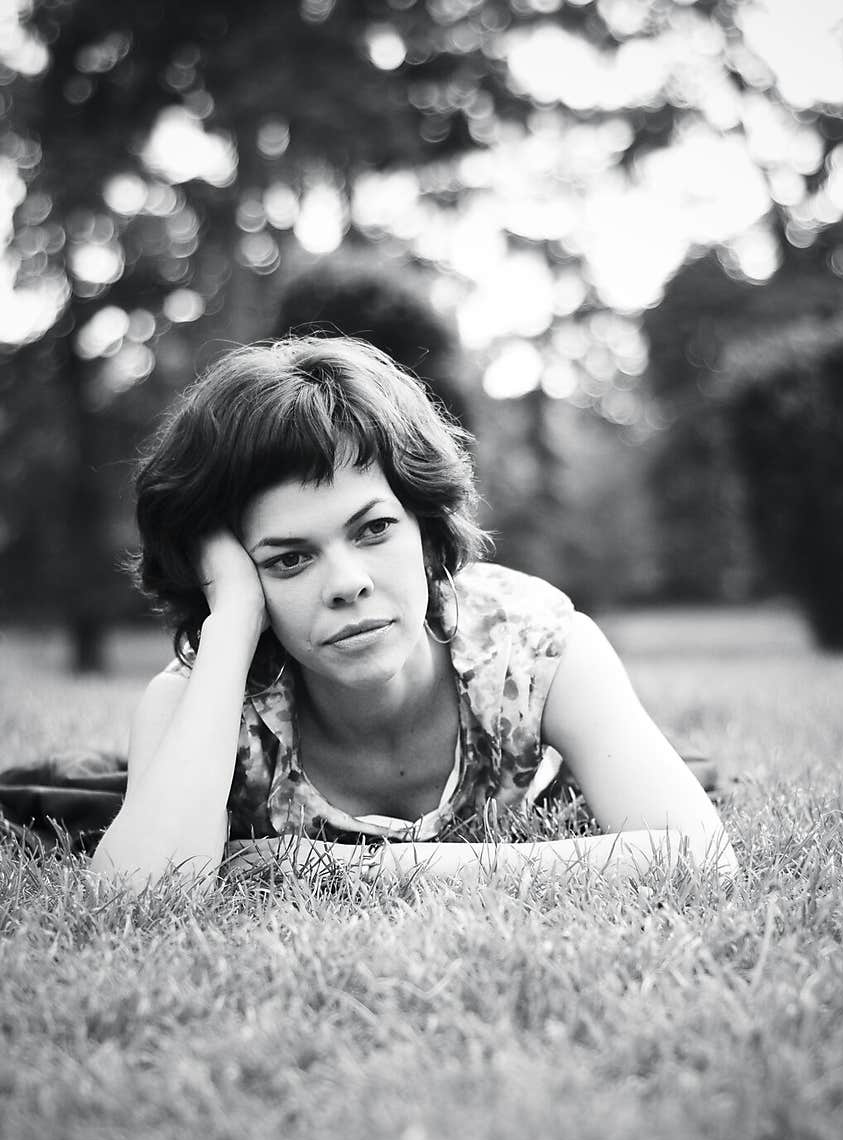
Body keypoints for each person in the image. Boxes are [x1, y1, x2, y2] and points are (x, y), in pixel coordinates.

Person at [90, 335, 738, 894]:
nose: (347, 584)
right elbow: (134, 899)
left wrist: (330, 866)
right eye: (289, 560)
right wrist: (230, 621)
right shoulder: (200, 693)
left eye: (373, 529)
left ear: (426, 532)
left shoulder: (536, 648)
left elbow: (701, 859)